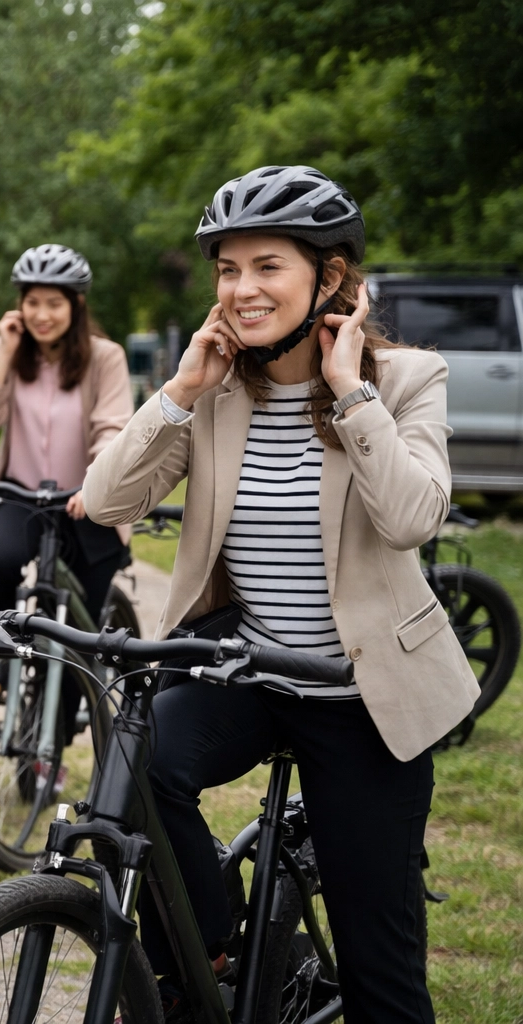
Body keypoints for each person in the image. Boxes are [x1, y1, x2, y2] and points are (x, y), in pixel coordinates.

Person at [82, 165, 478, 1023]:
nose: (242, 288)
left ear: (329, 277)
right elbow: (109, 502)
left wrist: (349, 390)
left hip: (364, 696)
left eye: (268, 266)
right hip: (250, 675)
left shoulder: (408, 378)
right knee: (138, 768)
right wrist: (181, 391)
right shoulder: (217, 390)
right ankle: (210, 952)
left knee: (383, 973)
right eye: (228, 269)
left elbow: (413, 516)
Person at [0, 244, 134, 618]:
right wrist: (6, 354)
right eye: (33, 302)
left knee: (80, 620)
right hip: (20, 495)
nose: (42, 315)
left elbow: (113, 428)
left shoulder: (106, 357)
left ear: (76, 305)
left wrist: (96, 483)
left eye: (54, 303)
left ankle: (77, 675)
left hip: (86, 499)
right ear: (19, 305)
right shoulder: (4, 350)